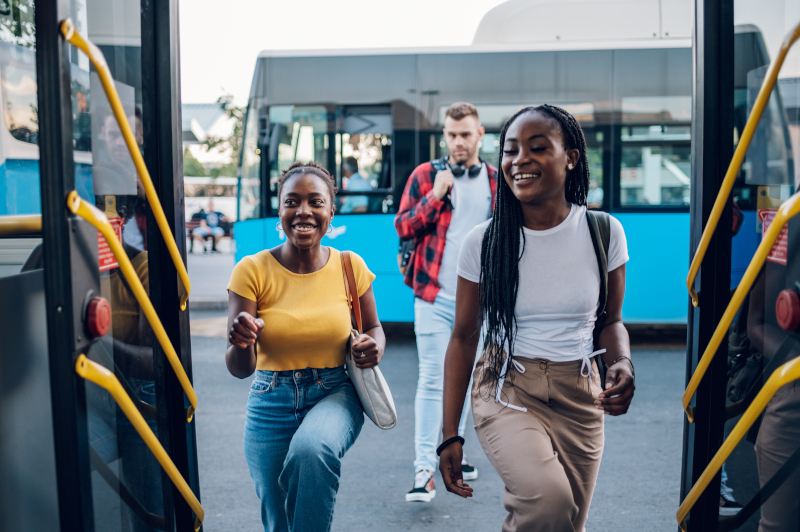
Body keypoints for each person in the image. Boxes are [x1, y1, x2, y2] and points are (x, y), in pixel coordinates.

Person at [438, 104, 635, 532]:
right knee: (548, 505)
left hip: (582, 396)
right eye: (510, 150)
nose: (519, 160)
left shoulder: (604, 232)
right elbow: (464, 337)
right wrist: (449, 433)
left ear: (571, 157)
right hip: (507, 389)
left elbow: (611, 322)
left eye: (537, 147)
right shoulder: (484, 242)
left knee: (566, 524)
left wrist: (621, 363)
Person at [225, 161, 385, 532]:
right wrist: (241, 340)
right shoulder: (251, 270)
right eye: (292, 201)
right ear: (279, 209)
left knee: (313, 450)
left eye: (315, 202)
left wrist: (374, 346)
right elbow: (239, 367)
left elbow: (374, 327)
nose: (303, 212)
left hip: (335, 392)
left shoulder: (350, 266)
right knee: (278, 519)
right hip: (270, 399)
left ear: (331, 210)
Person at [395, 102, 497, 502]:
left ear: (480, 135)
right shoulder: (426, 175)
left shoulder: (494, 179)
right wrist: (435, 196)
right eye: (451, 135)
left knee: (470, 378)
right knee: (432, 380)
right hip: (434, 296)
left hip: (481, 302)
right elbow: (402, 226)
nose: (458, 142)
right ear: (444, 136)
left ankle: (455, 448)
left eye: (465, 134)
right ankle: (424, 469)